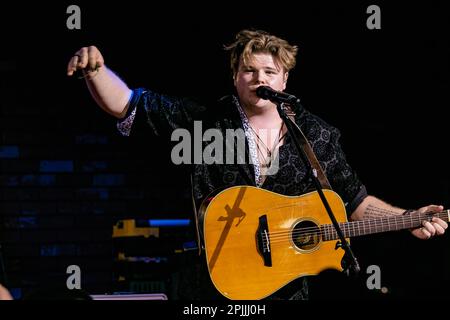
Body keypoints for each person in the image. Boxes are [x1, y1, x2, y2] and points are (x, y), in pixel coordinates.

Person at [67, 29, 447, 300]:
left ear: (284, 79)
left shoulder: (315, 134)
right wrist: (96, 71)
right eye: (249, 70)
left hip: (287, 290)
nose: (259, 78)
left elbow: (354, 202)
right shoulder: (206, 120)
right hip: (213, 286)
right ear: (235, 76)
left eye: (269, 72)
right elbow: (131, 105)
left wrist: (409, 217)